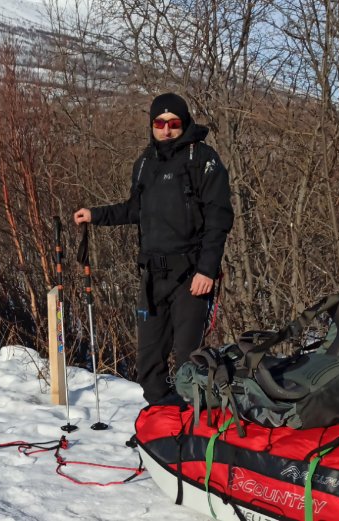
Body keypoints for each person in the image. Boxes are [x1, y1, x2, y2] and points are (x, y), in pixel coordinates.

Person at [73, 92, 233, 406]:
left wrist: (207, 269)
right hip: (152, 275)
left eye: (174, 123)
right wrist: (96, 214)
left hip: (191, 275)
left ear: (184, 123)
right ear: (152, 125)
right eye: (160, 123)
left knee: (189, 362)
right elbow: (136, 210)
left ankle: (192, 431)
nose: (167, 129)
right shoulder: (145, 162)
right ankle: (164, 426)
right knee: (149, 366)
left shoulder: (202, 158)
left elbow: (219, 217)